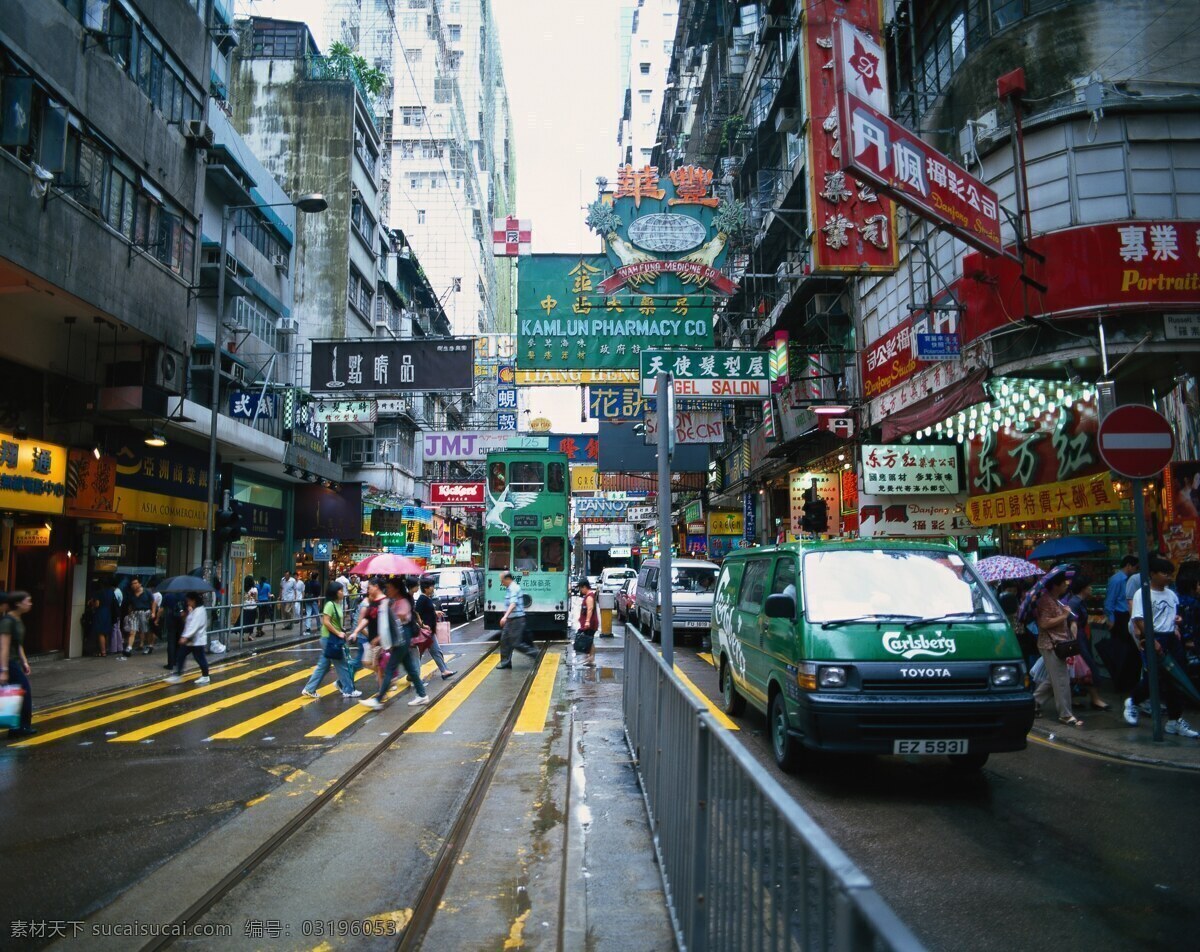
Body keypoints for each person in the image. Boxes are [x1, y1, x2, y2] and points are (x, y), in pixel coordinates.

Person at [1125, 556, 1199, 737]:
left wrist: (1176, 624)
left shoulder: (1171, 594)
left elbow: (1174, 615)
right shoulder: (1142, 594)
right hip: (1154, 638)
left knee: (1177, 679)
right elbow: (1140, 619)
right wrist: (1152, 640)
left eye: (1170, 573)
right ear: (1152, 574)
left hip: (1171, 639)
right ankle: (1133, 701)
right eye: (1164, 573)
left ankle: (1175, 720)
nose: (1168, 577)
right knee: (1155, 679)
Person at [360, 577, 429, 709]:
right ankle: (422, 695)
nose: (388, 590)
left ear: (396, 589)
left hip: (403, 637)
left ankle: (379, 699)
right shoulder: (394, 601)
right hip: (401, 637)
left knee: (390, 668)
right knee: (410, 669)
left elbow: (400, 618)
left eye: (390, 588)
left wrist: (389, 612)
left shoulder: (403, 601)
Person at [1032, 569, 1083, 727]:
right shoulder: (1046, 601)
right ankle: (1065, 715)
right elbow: (1044, 623)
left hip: (1058, 644)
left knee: (1054, 679)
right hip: (1051, 645)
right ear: (1055, 585)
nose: (1066, 586)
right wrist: (1064, 616)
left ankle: (1033, 702)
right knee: (1061, 680)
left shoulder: (1056, 600)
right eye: (1063, 584)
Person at [301, 583, 357, 699]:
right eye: (341, 590)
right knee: (342, 664)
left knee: (324, 666)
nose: (343, 592)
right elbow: (325, 622)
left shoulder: (337, 604)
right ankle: (348, 690)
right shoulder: (330, 605)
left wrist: (342, 631)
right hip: (330, 639)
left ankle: (309, 689)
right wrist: (338, 633)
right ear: (335, 592)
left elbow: (335, 622)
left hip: (330, 639)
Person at [1065, 574, 1108, 711]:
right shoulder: (1074, 603)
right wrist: (1075, 642)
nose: (1091, 589)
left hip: (1082, 636)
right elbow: (1073, 624)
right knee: (1088, 668)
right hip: (1078, 639)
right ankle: (1095, 699)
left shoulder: (1080, 602)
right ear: (1083, 588)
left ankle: (1072, 699)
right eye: (1089, 586)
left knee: (1079, 670)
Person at [0, 592, 35, 737]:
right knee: (23, 691)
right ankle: (19, 727)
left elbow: (19, 644)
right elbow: (4, 646)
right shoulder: (8, 621)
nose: (30, 604)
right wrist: (4, 670)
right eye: (28, 601)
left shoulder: (18, 620)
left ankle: (20, 726)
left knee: (21, 692)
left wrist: (24, 661)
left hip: (14, 662)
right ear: (18, 603)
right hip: (7, 662)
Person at [412, 576, 456, 680]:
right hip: (426, 632)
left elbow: (426, 612)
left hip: (429, 631)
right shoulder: (422, 599)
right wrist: (422, 625)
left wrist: (435, 613)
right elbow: (416, 613)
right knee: (425, 653)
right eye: (432, 586)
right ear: (426, 588)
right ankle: (413, 674)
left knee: (434, 652)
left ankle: (444, 671)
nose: (433, 588)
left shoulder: (427, 598)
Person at [165, 592, 211, 684]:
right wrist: (185, 615)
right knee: (181, 655)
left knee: (199, 658)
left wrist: (185, 637)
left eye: (189, 601)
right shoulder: (195, 610)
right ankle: (178, 675)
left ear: (194, 600)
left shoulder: (199, 611)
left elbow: (194, 626)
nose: (188, 603)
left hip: (196, 639)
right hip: (192, 640)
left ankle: (205, 676)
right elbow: (189, 622)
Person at [497, 570, 538, 669]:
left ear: (508, 579)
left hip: (517, 620)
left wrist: (505, 616)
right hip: (510, 620)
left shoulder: (514, 588)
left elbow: (513, 604)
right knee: (504, 640)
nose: (501, 583)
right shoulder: (509, 588)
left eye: (502, 580)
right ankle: (505, 662)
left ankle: (535, 654)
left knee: (516, 643)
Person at [124, 577, 153, 656]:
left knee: (146, 631)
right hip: (134, 613)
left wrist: (153, 613)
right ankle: (129, 648)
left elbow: (153, 602)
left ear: (140, 584)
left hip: (145, 612)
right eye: (132, 584)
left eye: (135, 583)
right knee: (132, 631)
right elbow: (130, 605)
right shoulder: (131, 594)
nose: (134, 585)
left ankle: (149, 646)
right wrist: (129, 615)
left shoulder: (147, 592)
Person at [575, 579, 598, 667]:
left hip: (591, 623)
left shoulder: (589, 597)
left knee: (589, 640)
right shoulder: (588, 595)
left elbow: (590, 609)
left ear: (584, 587)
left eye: (581, 589)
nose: (581, 591)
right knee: (590, 640)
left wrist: (587, 621)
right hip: (589, 622)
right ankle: (590, 658)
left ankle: (591, 659)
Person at [241, 575, 259, 640]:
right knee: (252, 622)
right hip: (253, 607)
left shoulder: (244, 589)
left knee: (244, 622)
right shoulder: (255, 589)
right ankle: (250, 635)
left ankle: (242, 636)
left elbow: (242, 598)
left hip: (245, 607)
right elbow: (256, 599)